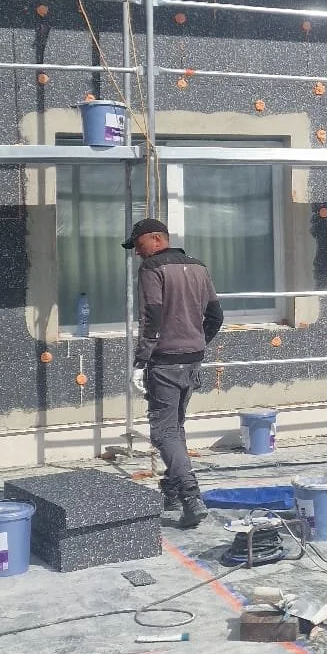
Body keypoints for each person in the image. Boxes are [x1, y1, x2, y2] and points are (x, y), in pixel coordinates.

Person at [124, 216, 224, 528]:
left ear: (157, 239)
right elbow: (216, 315)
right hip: (192, 358)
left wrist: (141, 359)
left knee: (163, 431)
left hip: (165, 360)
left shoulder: (152, 268)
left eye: (139, 245)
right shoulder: (198, 266)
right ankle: (171, 487)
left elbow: (151, 315)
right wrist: (197, 342)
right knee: (175, 426)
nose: (137, 252)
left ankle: (191, 497)